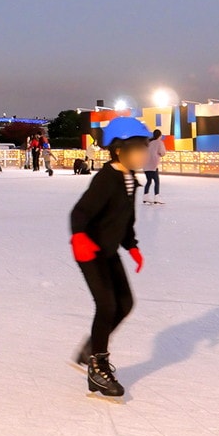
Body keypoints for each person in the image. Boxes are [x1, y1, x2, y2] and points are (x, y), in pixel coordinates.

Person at [69, 117, 149, 399]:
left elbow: (126, 219)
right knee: (106, 304)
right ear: (118, 150)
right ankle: (97, 365)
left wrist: (132, 245)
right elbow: (79, 213)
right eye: (139, 148)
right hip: (90, 252)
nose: (144, 153)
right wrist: (79, 237)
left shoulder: (130, 179)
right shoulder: (106, 179)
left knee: (125, 303)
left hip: (109, 250)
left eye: (145, 148)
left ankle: (92, 348)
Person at [142, 129, 166, 202]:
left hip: (145, 165)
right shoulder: (159, 142)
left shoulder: (148, 142)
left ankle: (145, 197)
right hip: (153, 165)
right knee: (156, 181)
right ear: (160, 135)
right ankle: (157, 197)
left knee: (148, 181)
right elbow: (162, 153)